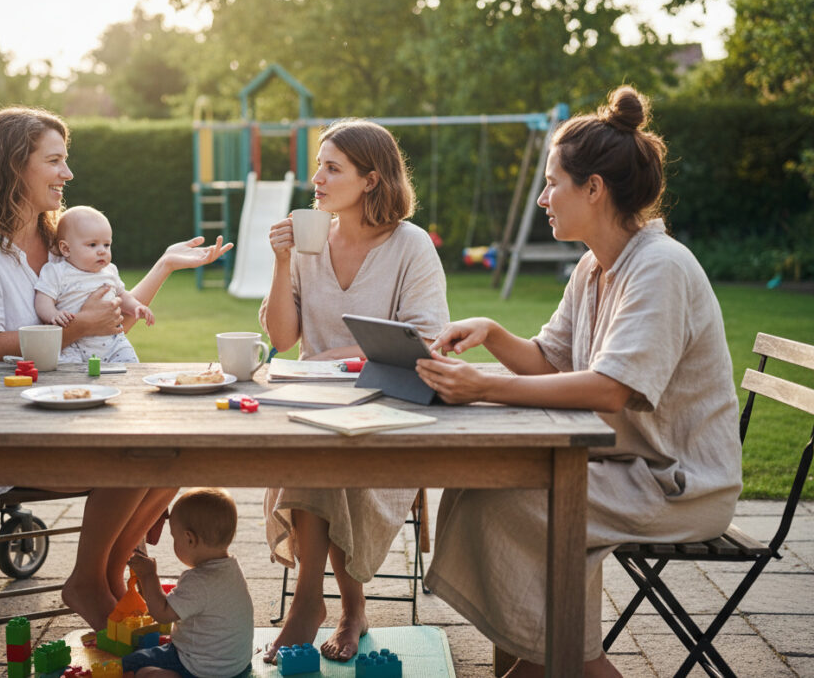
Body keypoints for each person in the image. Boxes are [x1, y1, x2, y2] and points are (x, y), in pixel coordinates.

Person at [415, 86, 742, 677]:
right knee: (484, 486)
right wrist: (490, 332)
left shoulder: (660, 267)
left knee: (509, 500)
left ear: (593, 189)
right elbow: (548, 358)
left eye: (552, 183)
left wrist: (482, 387)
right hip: (624, 465)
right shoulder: (595, 265)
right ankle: (544, 663)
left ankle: (565, 663)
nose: (543, 198)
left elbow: (608, 389)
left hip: (677, 484)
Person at [0, 106, 233, 632]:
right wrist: (76, 329)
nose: (67, 175)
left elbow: (108, 323)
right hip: (4, 421)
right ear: (12, 167)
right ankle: (88, 583)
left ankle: (110, 575)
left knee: (174, 449)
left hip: (68, 410)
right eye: (54, 161)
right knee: (136, 453)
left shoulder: (57, 242)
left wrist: (162, 265)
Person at [259, 118, 449, 662]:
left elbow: (426, 337)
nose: (316, 177)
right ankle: (336, 608)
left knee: (324, 462)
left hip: (391, 410)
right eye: (319, 165)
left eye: (332, 168)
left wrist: (329, 358)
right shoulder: (309, 240)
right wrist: (281, 261)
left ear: (370, 179)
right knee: (317, 454)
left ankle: (314, 608)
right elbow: (280, 337)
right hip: (313, 405)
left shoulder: (410, 245)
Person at [125, 488, 254, 678]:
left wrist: (148, 576)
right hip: (237, 667)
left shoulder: (198, 580)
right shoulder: (232, 568)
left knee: (133, 665)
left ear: (189, 538)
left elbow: (162, 614)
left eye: (174, 538)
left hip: (200, 668)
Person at [34, 205, 153, 364]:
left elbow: (122, 295)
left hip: (113, 343)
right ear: (66, 248)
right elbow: (42, 300)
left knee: (130, 368)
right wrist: (53, 314)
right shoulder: (57, 272)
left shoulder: (109, 271)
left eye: (106, 245)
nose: (102, 251)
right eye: (92, 245)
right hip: (73, 344)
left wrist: (137, 306)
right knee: (69, 375)